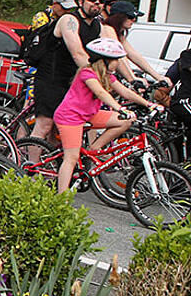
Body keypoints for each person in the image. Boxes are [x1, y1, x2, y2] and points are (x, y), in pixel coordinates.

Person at [53, 37, 160, 193]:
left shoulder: (107, 76)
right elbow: (100, 92)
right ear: (105, 61)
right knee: (71, 158)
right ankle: (61, 198)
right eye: (116, 60)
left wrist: (149, 104)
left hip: (89, 114)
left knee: (124, 122)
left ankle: (94, 148)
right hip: (70, 117)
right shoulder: (87, 73)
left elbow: (125, 91)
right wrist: (119, 108)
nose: (118, 63)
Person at [29, 0, 110, 146]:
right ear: (80, 2)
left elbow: (118, 53)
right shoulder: (69, 20)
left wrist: (140, 78)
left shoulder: (97, 26)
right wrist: (95, 77)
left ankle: (53, 166)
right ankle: (29, 168)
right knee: (44, 125)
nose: (97, 3)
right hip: (51, 79)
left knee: (63, 126)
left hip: (73, 82)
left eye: (101, 0)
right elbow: (78, 53)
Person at [104, 0, 173, 88]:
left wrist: (158, 77)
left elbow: (133, 55)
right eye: (131, 16)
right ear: (119, 17)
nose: (134, 20)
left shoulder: (120, 34)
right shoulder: (107, 30)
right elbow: (119, 56)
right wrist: (132, 78)